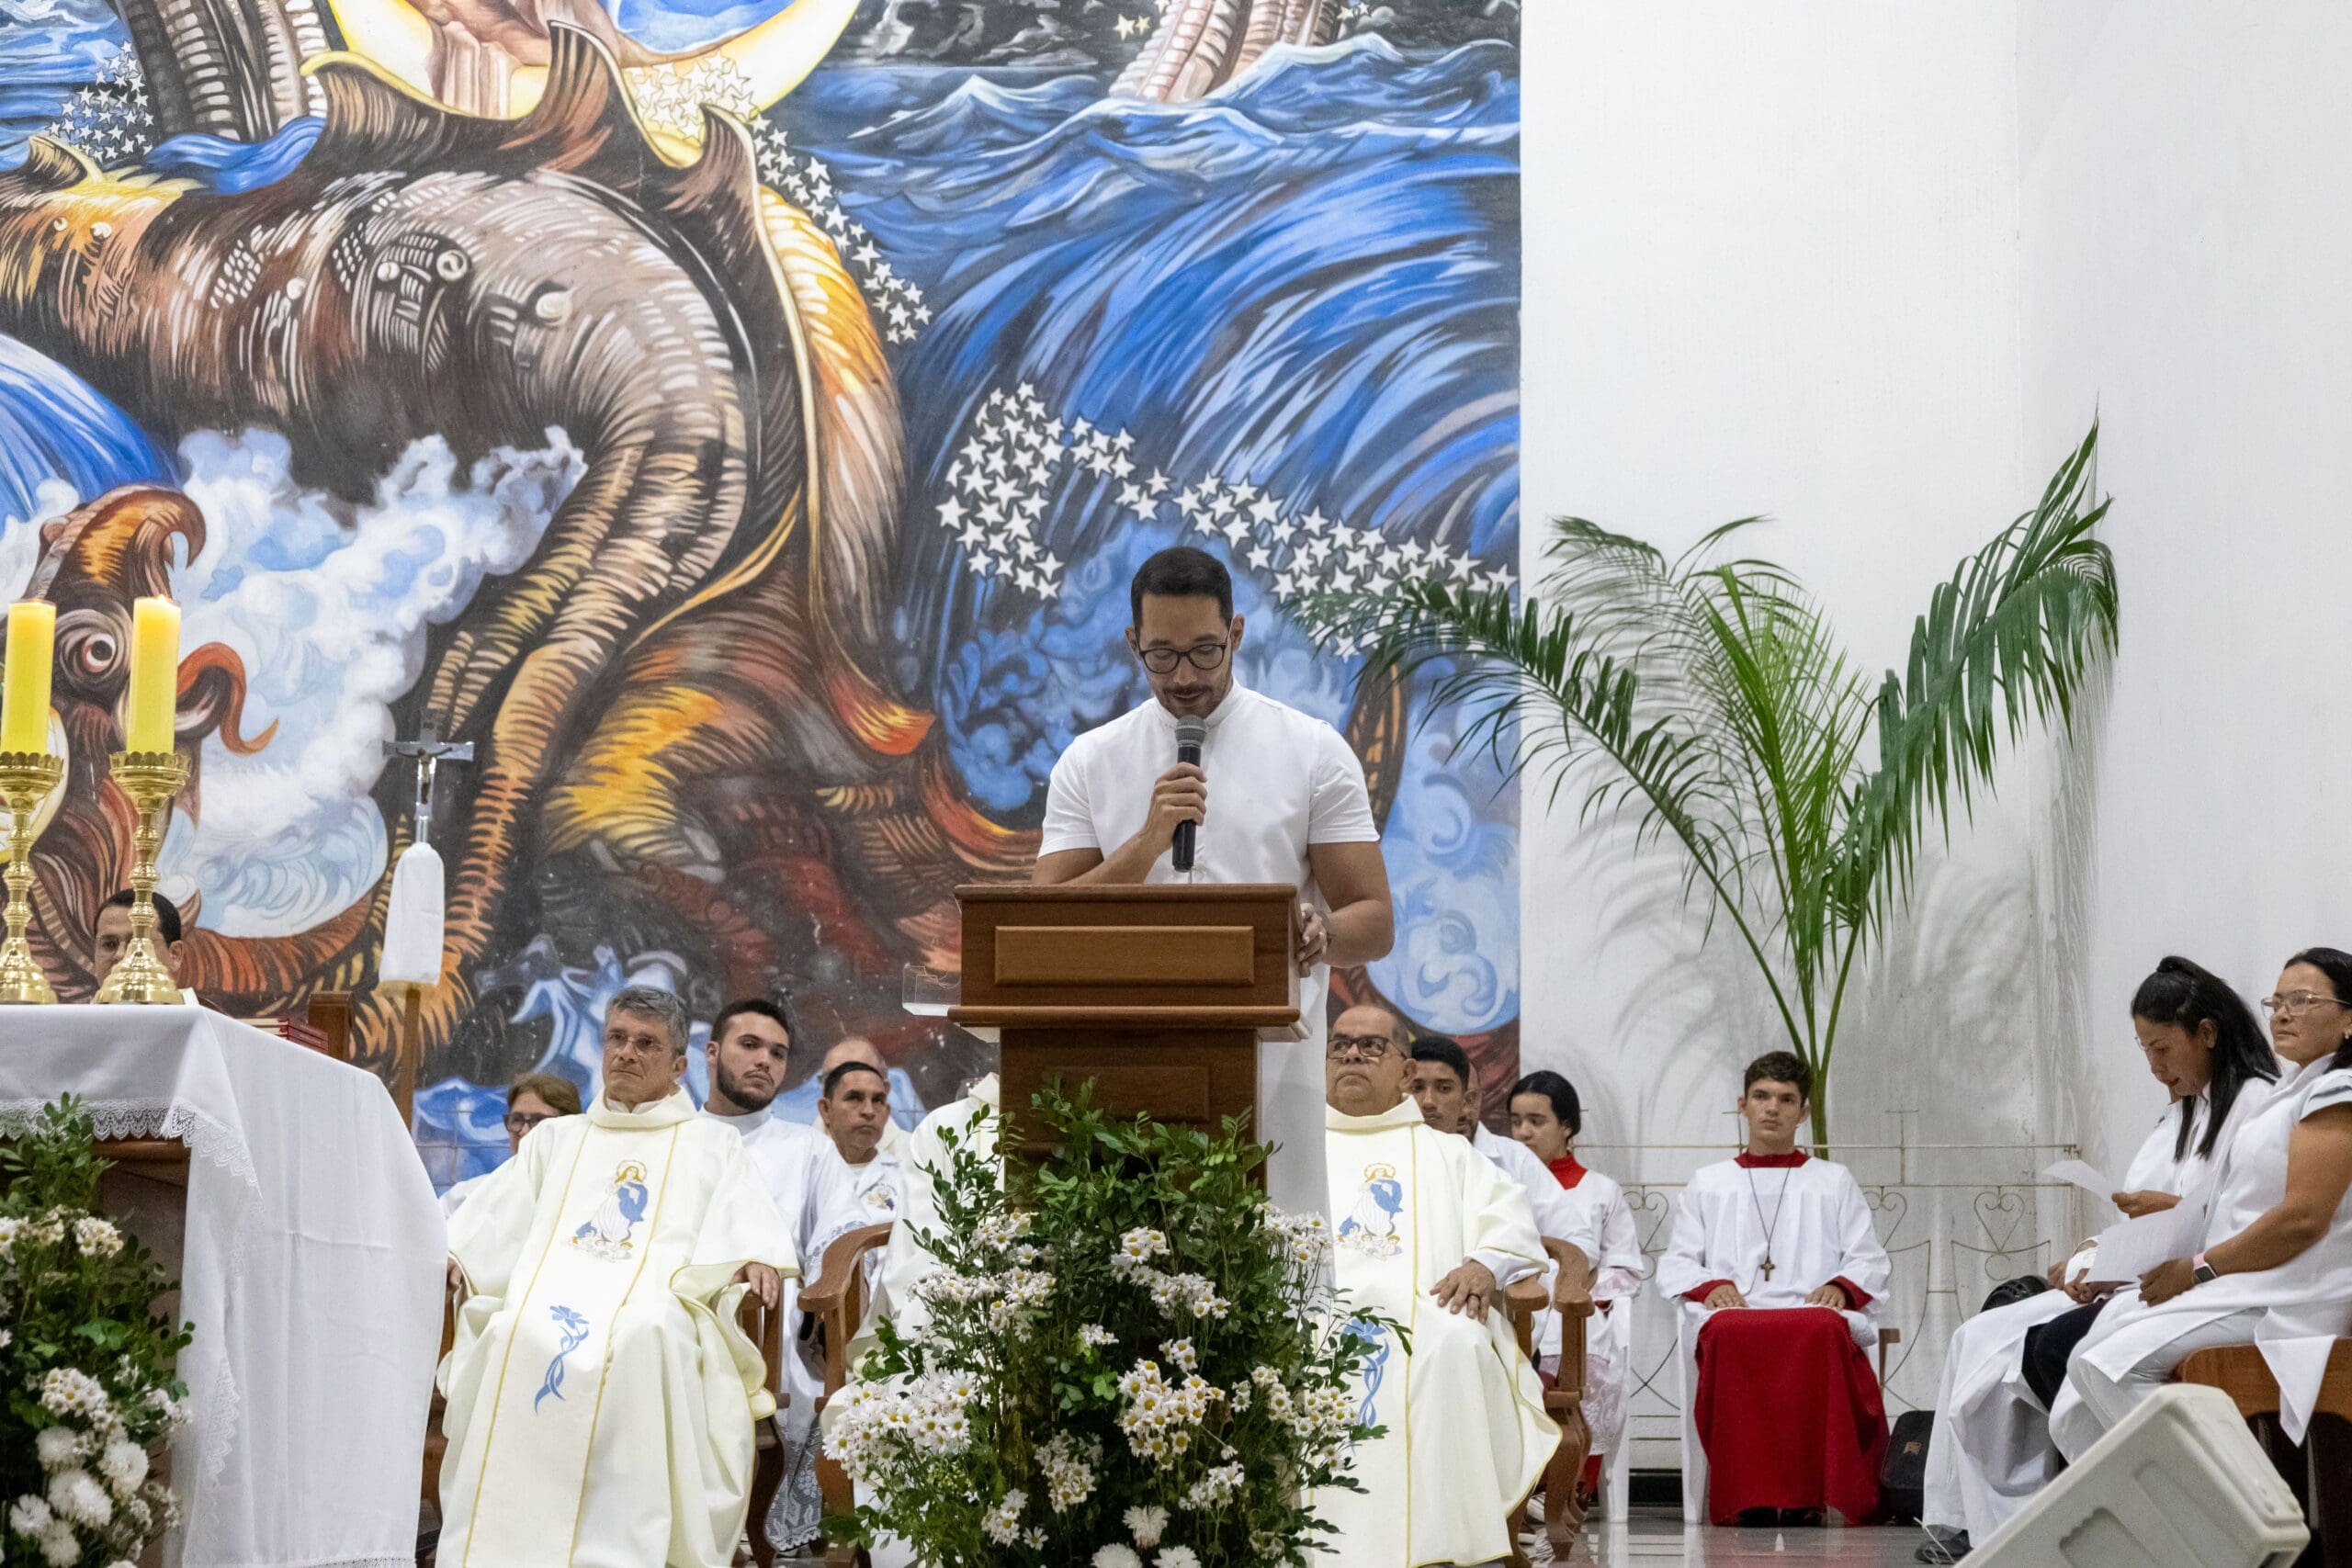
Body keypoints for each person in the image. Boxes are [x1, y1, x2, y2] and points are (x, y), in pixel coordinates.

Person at [1034, 546, 1394, 1213]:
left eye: (1204, 650)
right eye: (1161, 655)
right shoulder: (1091, 760)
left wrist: (1321, 931)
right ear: (1133, 643)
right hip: (1125, 1061)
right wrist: (1146, 842)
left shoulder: (1311, 750)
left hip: (1271, 1070)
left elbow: (1374, 919)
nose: (1184, 676)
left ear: (1237, 634)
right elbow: (1042, 926)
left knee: (1271, 1257)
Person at [1919, 955, 2278, 1560]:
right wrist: (2090, 1260)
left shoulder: (2256, 1106)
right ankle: (1975, 1524)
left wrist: (2163, 1218)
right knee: (1978, 1337)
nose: (2155, 1066)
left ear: (2208, 1033)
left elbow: (2245, 1220)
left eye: (2162, 1048)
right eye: (2144, 1050)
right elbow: (2138, 1215)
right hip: (2146, 1279)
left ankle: (2107, 1520)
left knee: (2052, 1350)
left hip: (2209, 1285)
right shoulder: (2184, 1112)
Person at [437, 987, 797, 1568]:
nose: (626, 1053)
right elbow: (492, 1220)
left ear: (678, 1065)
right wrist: (459, 1255)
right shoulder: (556, 1139)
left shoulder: (712, 1143)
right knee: (508, 1332)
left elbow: (742, 1218)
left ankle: (629, 1550)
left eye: (646, 1044)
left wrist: (752, 1256)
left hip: (656, 1305)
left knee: (645, 1335)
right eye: (617, 1038)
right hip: (549, 1296)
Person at [2050, 947, 2352, 1460]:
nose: (2282, 1014)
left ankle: (2233, 1501)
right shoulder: (2294, 1091)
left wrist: (2196, 1270)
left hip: (2289, 1295)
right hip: (2247, 1283)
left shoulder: (2337, 1090)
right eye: (2277, 1002)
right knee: (2084, 1366)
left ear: (2349, 1019)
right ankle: (2173, 1503)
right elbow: (2233, 1206)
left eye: (2302, 1001)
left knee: (2106, 1368)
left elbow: (2301, 1219)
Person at [1320, 1002, 1558, 1568]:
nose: (1352, 1055)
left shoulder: (1450, 1152)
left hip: (1429, 1311)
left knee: (1460, 1341)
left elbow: (1508, 1222)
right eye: (1340, 1045)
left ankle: (1446, 1543)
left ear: (1405, 1072)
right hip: (1317, 1311)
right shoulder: (1296, 1148)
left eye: (1371, 1046)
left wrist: (1483, 1265)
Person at [1655, 1050, 1892, 1527]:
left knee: (1823, 1328)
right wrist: (1711, 1284)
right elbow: (1678, 1260)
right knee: (1726, 1332)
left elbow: (1867, 1256)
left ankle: (1807, 1497)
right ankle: (1749, 1498)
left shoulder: (1832, 1181)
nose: (1772, 1108)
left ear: (1803, 1112)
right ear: (1742, 1105)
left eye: (1785, 1099)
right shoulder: (1709, 1183)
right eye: (1761, 1096)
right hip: (1735, 1312)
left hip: (1811, 1309)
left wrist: (1841, 1287)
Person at [1511, 1068, 1646, 1502]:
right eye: (1516, 1121)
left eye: (1536, 1121)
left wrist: (1582, 1288)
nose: (1523, 1133)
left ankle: (1565, 1484)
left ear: (1567, 1126)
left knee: (1573, 1338)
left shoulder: (1600, 1191)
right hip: (1514, 1302)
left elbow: (1625, 1265)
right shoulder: (1500, 1186)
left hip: (1577, 1307)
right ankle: (1514, 1481)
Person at [441, 1072, 583, 1217]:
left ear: (569, 1128)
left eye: (538, 1121)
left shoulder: (586, 1198)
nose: (524, 1131)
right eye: (516, 1119)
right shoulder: (467, 1197)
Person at [813, 1035, 910, 1158]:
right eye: (833, 1078)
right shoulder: (798, 1154)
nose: (847, 1084)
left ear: (885, 1089)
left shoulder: (916, 1157)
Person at [94, 888, 198, 1002]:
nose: (120, 954)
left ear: (174, 954)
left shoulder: (202, 1014)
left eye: (137, 943)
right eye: (109, 944)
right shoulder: (80, 1014)